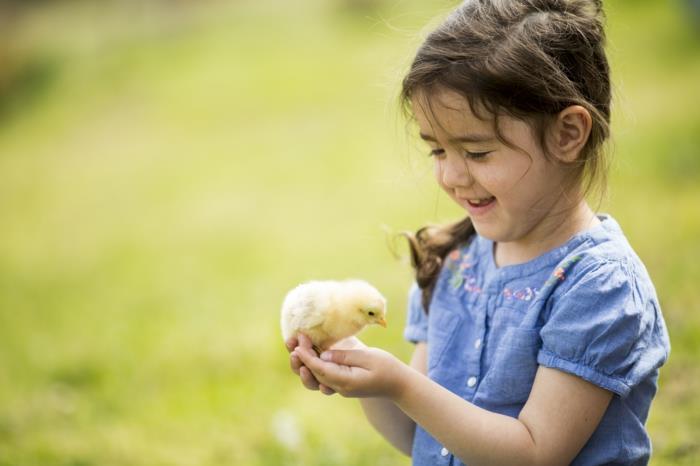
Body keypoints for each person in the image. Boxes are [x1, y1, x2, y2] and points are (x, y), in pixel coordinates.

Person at [285, 0, 671, 464]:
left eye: (477, 153)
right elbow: (419, 434)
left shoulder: (598, 286)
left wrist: (402, 384)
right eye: (437, 151)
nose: (450, 176)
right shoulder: (455, 260)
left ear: (568, 134)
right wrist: (357, 368)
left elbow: (534, 454)